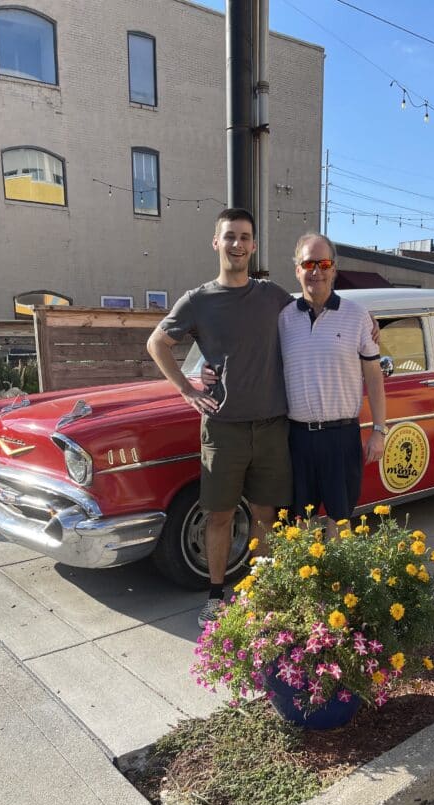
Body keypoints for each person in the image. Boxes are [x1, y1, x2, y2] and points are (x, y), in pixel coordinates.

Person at [146, 208, 293, 627]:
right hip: (223, 428)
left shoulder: (272, 296)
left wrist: (366, 324)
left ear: (254, 245)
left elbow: (313, 314)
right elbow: (157, 343)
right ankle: (215, 595)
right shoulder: (198, 300)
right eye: (229, 236)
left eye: (245, 237)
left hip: (271, 426)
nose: (237, 244)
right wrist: (186, 386)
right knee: (219, 515)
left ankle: (264, 593)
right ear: (216, 242)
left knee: (267, 514)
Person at [279, 232, 387, 535]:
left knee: (339, 520)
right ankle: (308, 581)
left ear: (334, 268)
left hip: (341, 436)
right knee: (301, 521)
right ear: (297, 269)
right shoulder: (283, 319)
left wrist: (379, 430)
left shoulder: (358, 316)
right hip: (297, 437)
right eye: (309, 263)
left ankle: (336, 583)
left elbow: (374, 377)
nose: (317, 271)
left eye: (324, 263)